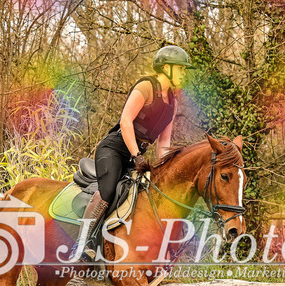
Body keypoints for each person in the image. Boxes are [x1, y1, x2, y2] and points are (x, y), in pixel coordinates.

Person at [71, 45, 196, 262]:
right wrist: (137, 155)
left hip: (136, 157)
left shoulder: (172, 102)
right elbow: (126, 121)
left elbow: (163, 142)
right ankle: (82, 244)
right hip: (114, 149)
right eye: (181, 68)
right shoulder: (145, 87)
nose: (184, 73)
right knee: (109, 189)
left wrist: (164, 168)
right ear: (166, 68)